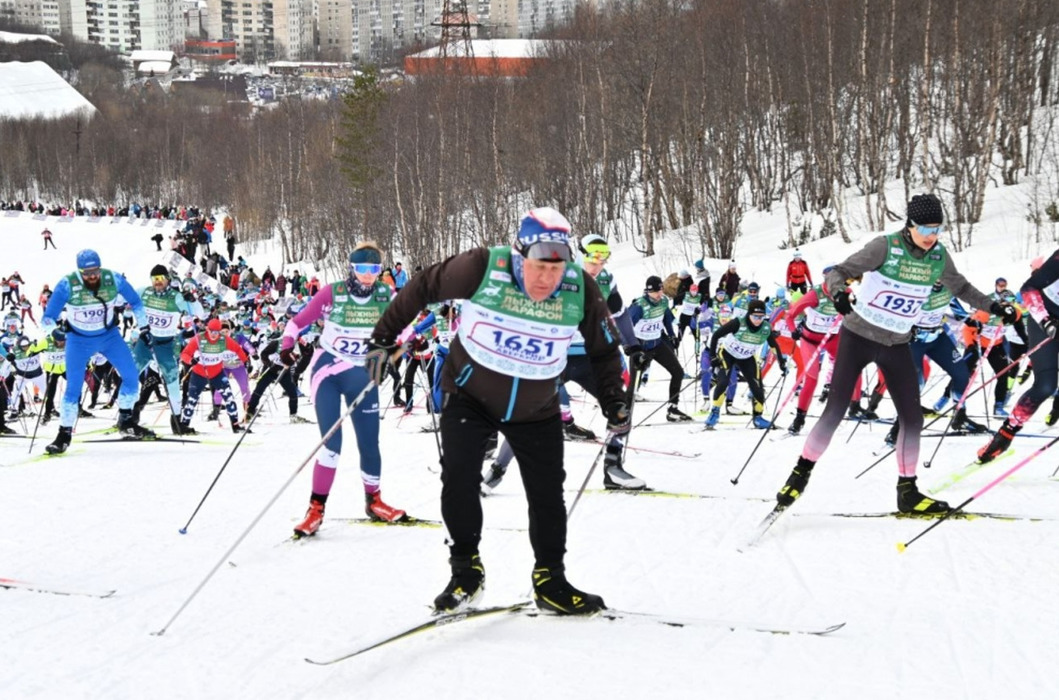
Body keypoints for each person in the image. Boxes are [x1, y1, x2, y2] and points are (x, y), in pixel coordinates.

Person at [367, 207, 624, 616]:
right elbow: (422, 286)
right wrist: (383, 340)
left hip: (536, 407)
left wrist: (613, 401)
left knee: (547, 494)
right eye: (539, 267)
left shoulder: (580, 289)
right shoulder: (483, 266)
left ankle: (550, 579)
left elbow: (605, 349)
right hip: (470, 395)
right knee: (459, 478)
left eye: (557, 270)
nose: (547, 279)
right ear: (520, 257)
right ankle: (466, 573)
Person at [774, 194, 1014, 514]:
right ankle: (799, 475)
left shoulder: (938, 257)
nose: (932, 236)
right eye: (925, 229)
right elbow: (838, 273)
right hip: (858, 336)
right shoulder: (884, 247)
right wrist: (840, 293)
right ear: (909, 225)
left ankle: (908, 491)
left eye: (937, 228)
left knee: (912, 419)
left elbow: (963, 289)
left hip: (897, 343)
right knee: (835, 410)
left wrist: (995, 307)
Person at [279, 241, 407, 538]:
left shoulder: (386, 295)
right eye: (362, 269)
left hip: (363, 375)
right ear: (352, 268)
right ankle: (315, 509)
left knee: (370, 443)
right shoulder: (332, 293)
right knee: (331, 444)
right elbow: (298, 323)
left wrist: (414, 341)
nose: (368, 275)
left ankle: (373, 501)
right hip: (329, 372)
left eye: (374, 269)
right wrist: (287, 346)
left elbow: (403, 328)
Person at [41, 249, 157, 454]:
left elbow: (136, 302)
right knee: (73, 389)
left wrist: (145, 327)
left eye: (95, 271)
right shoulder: (67, 284)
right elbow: (47, 317)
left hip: (109, 337)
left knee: (131, 377)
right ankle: (63, 434)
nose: (92, 276)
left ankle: (126, 419)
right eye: (87, 273)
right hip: (78, 340)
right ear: (79, 271)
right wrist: (55, 332)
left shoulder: (114, 279)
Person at [978, 247, 1059, 462]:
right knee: (1045, 385)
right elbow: (1028, 289)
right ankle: (1004, 436)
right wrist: (1046, 321)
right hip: (1045, 321)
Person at [703, 299, 787, 429]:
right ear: (749, 314)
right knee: (724, 382)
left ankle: (758, 417)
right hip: (728, 354)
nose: (758, 320)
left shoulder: (765, 328)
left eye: (761, 316)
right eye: (755, 316)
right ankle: (714, 414)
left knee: (757, 386)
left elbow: (774, 346)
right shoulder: (738, 323)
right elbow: (716, 336)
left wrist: (781, 362)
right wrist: (713, 357)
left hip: (747, 357)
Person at [135, 264, 194, 434]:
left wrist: (192, 300)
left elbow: (199, 312)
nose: (157, 282)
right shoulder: (143, 292)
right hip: (146, 341)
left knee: (173, 383)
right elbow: (126, 298)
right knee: (130, 377)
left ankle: (177, 422)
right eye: (154, 279)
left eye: (161, 279)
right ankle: (128, 418)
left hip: (166, 344)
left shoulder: (176, 297)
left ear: (168, 279)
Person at [629, 275, 692, 421]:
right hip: (641, 347)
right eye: (656, 292)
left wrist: (671, 335)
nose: (659, 294)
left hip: (657, 343)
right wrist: (629, 346)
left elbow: (666, 318)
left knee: (678, 372)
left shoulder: (663, 301)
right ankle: (622, 417)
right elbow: (625, 327)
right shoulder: (639, 306)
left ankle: (673, 409)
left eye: (661, 290)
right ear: (648, 291)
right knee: (634, 383)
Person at [177, 318, 250, 434]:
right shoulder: (199, 338)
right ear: (207, 329)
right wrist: (191, 361)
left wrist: (245, 361)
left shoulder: (223, 340)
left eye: (217, 332)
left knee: (229, 397)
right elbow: (184, 354)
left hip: (217, 373)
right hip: (199, 374)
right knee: (192, 400)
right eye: (212, 332)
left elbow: (237, 349)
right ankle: (184, 425)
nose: (215, 335)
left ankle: (235, 426)